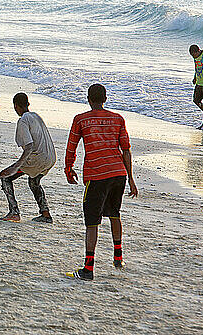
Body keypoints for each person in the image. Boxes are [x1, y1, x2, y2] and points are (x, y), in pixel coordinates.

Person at [64, 84, 138, 281]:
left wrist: (68, 168)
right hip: (118, 174)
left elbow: (71, 147)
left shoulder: (81, 120)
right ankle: (118, 257)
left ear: (88, 99)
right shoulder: (118, 119)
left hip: (97, 176)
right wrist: (130, 178)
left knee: (92, 222)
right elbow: (126, 150)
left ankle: (88, 269)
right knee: (114, 214)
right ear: (105, 98)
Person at [0, 93, 56, 223]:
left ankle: (14, 212)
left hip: (38, 158)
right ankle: (45, 214)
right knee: (34, 181)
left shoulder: (23, 120)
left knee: (5, 177)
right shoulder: (36, 116)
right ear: (28, 104)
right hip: (51, 157)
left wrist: (16, 166)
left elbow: (29, 147)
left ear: (16, 106)